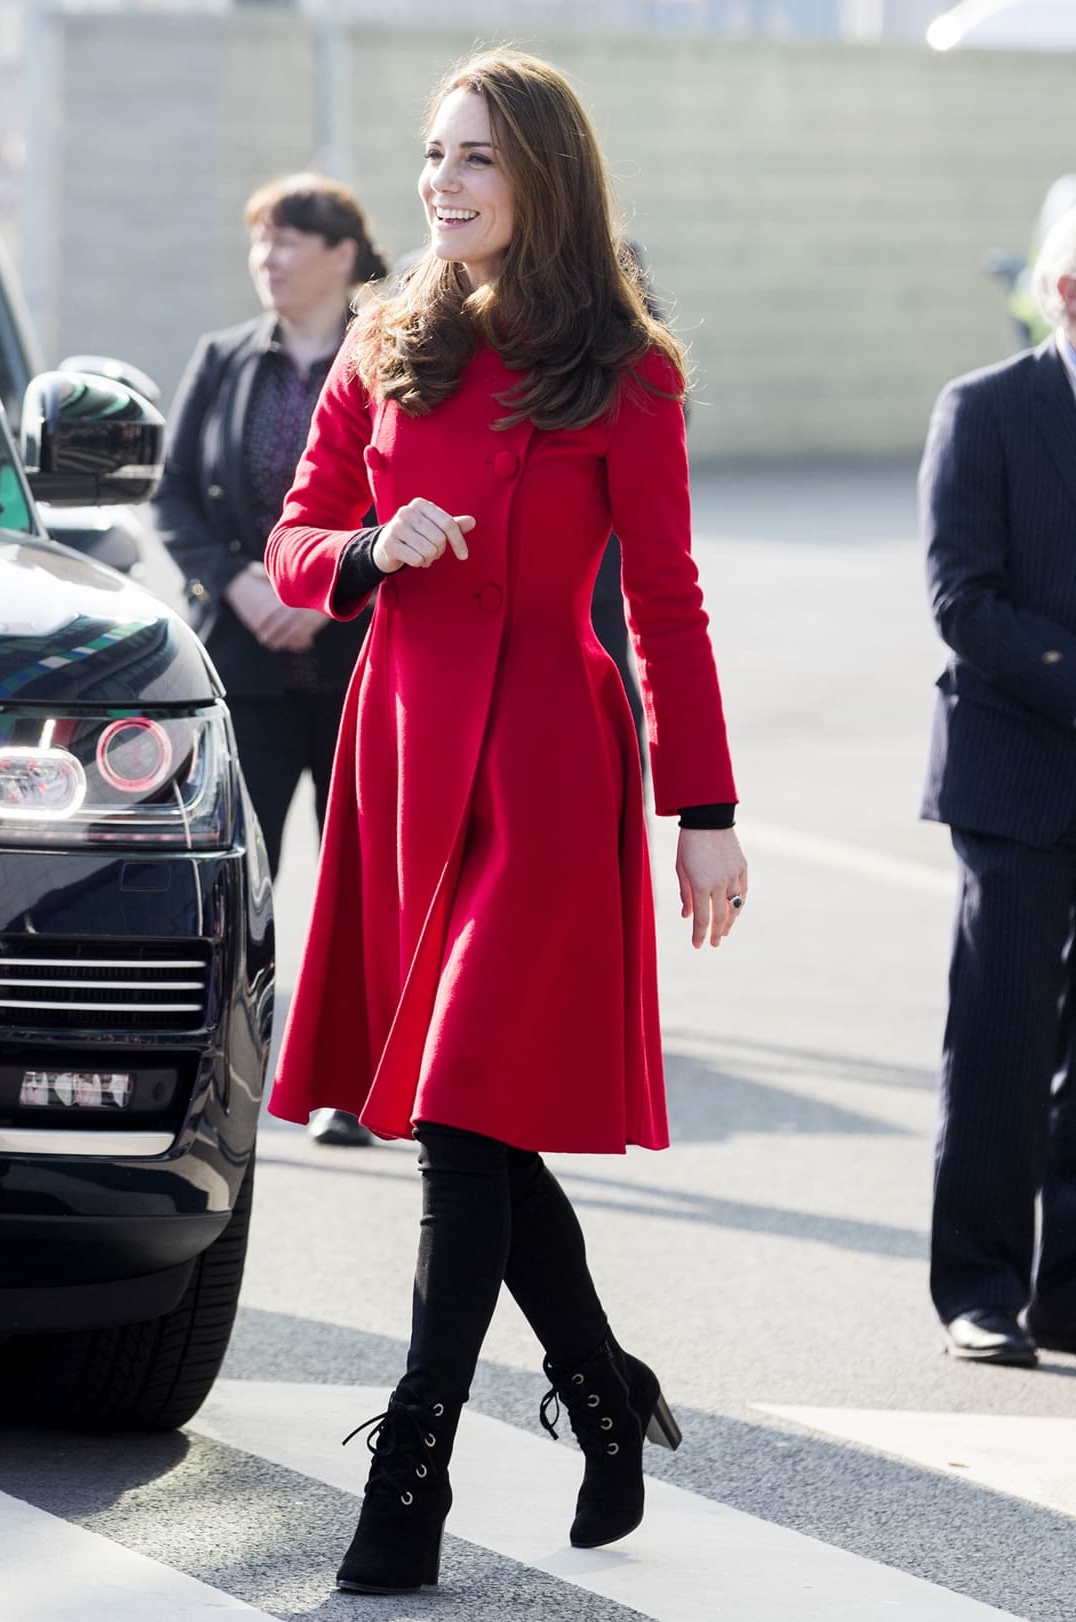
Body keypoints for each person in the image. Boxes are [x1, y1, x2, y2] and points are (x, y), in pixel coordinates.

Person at [265, 50, 747, 1592]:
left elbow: (668, 605)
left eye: (477, 158)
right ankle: (606, 1388)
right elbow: (291, 544)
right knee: (463, 1120)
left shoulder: (628, 368)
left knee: (465, 1114)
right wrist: (364, 545)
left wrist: (709, 812)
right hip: (404, 749)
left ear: (543, 175)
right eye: (435, 154)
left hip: (547, 758)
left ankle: (414, 1464)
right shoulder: (384, 340)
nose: (444, 183)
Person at [152, 173, 387, 1149]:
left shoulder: (392, 354)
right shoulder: (222, 358)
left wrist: (330, 593)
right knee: (234, 878)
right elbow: (173, 500)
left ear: (343, 254)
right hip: (245, 655)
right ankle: (216, 1073)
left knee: (365, 877)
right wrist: (243, 584)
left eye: (291, 241)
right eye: (262, 242)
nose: (271, 259)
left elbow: (407, 497)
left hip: (355, 661)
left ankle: (356, 1081)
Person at [921, 205, 1076, 1368]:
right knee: (1002, 1040)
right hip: (1016, 770)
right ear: (1064, 291)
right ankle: (980, 1284)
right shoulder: (984, 408)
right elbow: (961, 601)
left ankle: (1070, 1291)